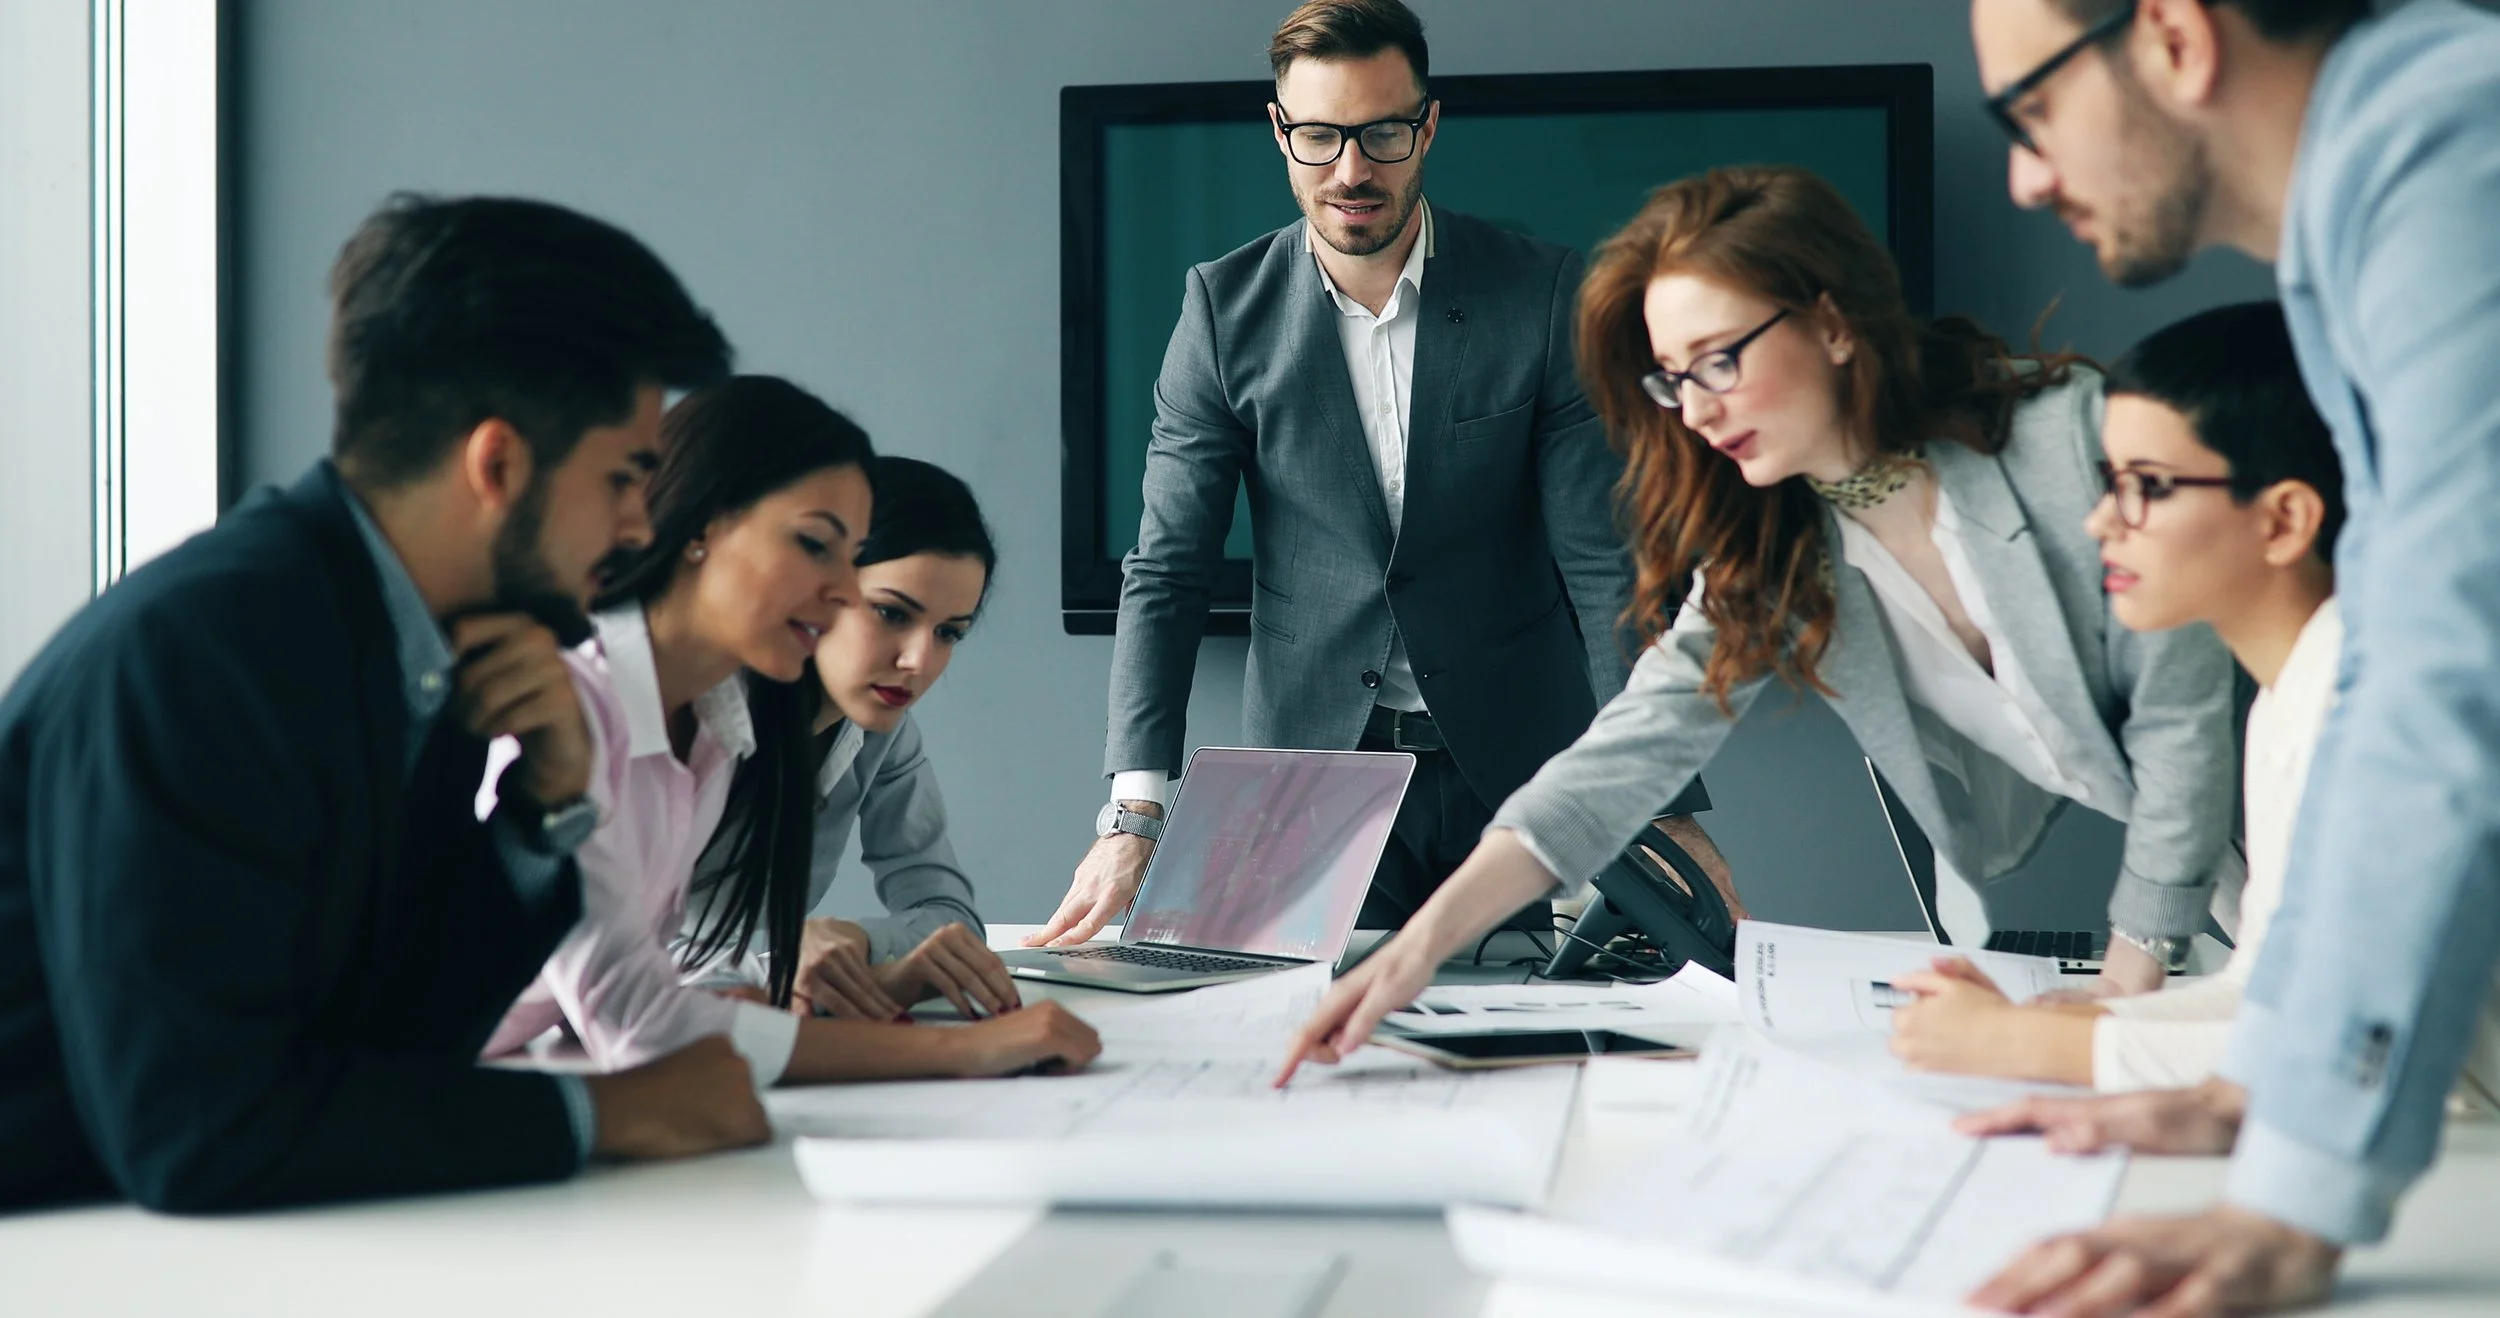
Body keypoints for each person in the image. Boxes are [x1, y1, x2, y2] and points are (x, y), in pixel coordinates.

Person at [1280, 163, 2244, 1082]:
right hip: (2228, 890)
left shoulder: (2068, 438)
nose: (1697, 410)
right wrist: (1413, 959)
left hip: (2310, 797)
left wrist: (2124, 988)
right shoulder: (1782, 545)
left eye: (1722, 361)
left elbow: (2182, 709)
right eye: (1674, 378)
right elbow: (1614, 765)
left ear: (1830, 323)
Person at [0, 194, 765, 1213]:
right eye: (625, 477)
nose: (638, 525)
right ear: (496, 464)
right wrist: (615, 1114)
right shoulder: (204, 653)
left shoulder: (415, 646)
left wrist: (541, 814)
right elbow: (197, 1130)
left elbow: (385, 1045)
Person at [1957, 0, 2500, 1310]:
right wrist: (2257, 1075)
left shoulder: (2449, 152)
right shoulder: (2356, 235)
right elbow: (2389, 673)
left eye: (2029, 110)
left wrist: (2293, 1200)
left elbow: (2446, 671)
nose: (2026, 176)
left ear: (2176, 38)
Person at [1031, 0, 1723, 948]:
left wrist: (1660, 804)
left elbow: (1605, 566)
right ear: (1280, 132)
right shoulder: (1223, 311)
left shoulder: (1544, 295)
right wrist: (1134, 814)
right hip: (1309, 784)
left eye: (1383, 133)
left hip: (1522, 774)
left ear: (1428, 125)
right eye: (1319, 136)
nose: (1352, 170)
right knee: (1305, 1059)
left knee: (1534, 1055)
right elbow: (1168, 570)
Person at [1894, 303, 2500, 1107]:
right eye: (2109, 482)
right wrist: (2080, 1027)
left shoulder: (2380, 710)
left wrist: (2024, 1043)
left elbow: (2355, 1056)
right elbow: (2265, 994)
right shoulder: (2294, 691)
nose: (2101, 521)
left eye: (2147, 487)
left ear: (2285, 519)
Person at [482, 378, 1099, 1084]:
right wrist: (966, 1051)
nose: (840, 591)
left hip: (505, 1067)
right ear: (703, 527)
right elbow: (644, 1022)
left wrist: (865, 980)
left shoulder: (713, 727)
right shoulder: (574, 705)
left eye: (950, 631)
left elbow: (666, 988)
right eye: (815, 546)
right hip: (393, 1080)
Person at [681, 455, 1019, 1022]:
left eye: (948, 633)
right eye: (891, 613)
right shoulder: (691, 711)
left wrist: (856, 944)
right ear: (818, 591)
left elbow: (951, 919)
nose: (919, 660)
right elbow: (602, 956)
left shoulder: (882, 732)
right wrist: (787, 963)